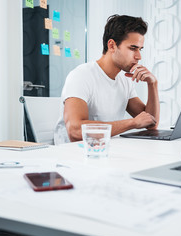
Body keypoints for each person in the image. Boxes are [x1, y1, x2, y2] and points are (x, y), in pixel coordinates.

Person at [54, 15, 160, 144]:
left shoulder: (124, 80)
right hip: (74, 155)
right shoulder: (81, 76)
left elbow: (150, 123)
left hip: (105, 152)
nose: (138, 56)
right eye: (133, 48)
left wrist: (152, 84)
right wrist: (132, 123)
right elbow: (75, 131)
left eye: (140, 49)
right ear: (112, 45)